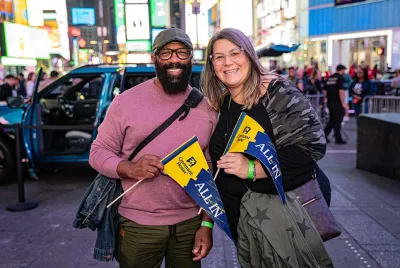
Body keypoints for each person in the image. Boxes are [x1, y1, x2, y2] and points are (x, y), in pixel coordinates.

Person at [203, 28, 332, 267]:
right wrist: (207, 222)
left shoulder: (276, 92)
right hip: (244, 223)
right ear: (211, 64)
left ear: (249, 55)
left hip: (283, 218)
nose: (227, 62)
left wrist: (252, 169)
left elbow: (312, 145)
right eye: (218, 57)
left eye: (235, 53)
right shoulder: (224, 103)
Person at [89, 28, 217, 268]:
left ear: (191, 57)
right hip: (139, 226)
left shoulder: (207, 108)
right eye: (166, 52)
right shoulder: (125, 102)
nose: (174, 59)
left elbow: (211, 171)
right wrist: (130, 168)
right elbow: (97, 153)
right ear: (154, 57)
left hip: (190, 223)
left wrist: (207, 224)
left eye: (182, 52)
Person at [323, 64, 348, 144]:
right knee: (337, 120)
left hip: (330, 102)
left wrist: (327, 98)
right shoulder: (340, 78)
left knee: (332, 120)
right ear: (342, 70)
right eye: (344, 71)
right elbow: (341, 91)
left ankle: (324, 136)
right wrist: (343, 103)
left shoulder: (329, 78)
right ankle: (338, 138)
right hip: (337, 102)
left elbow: (325, 91)